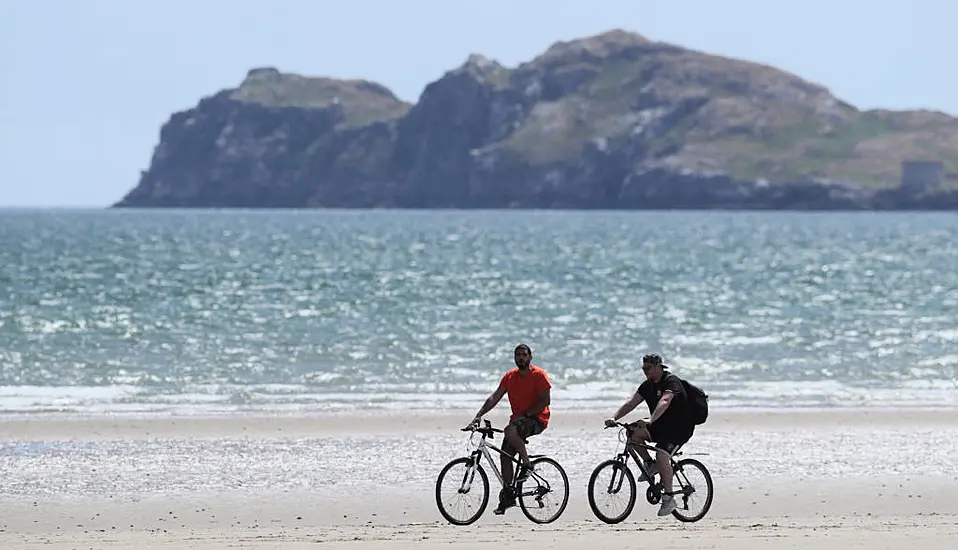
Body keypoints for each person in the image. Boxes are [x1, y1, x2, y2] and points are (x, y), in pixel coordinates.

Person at [604, 353, 694, 516]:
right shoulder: (648, 385)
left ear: (659, 366)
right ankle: (649, 464)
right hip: (659, 426)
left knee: (661, 455)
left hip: (679, 429)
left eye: (648, 368)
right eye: (643, 368)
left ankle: (668, 498)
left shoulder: (671, 381)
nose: (645, 372)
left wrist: (651, 419)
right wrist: (614, 417)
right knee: (633, 433)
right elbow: (631, 403)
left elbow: (665, 401)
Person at [467, 343, 552, 514]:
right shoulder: (509, 377)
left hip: (537, 418)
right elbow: (495, 397)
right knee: (505, 455)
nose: (520, 358)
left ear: (530, 357)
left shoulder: (539, 375)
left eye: (524, 355)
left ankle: (527, 464)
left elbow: (545, 401)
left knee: (509, 430)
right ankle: (509, 496)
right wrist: (478, 415)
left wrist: (526, 414)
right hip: (518, 421)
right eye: (517, 355)